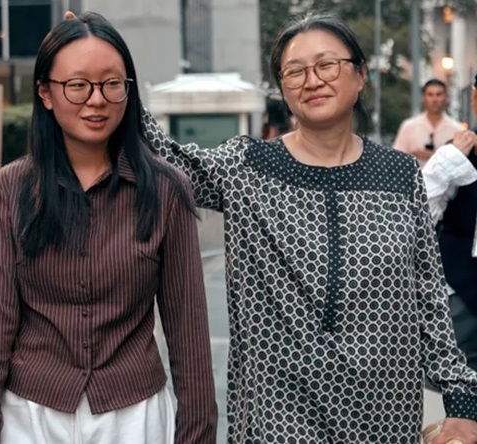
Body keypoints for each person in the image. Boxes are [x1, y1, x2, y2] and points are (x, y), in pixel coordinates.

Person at [137, 11, 477, 443]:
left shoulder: (400, 175)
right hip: (278, 421)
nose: (311, 80)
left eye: (326, 65)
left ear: (360, 75)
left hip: (385, 420)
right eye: (294, 71)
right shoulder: (248, 168)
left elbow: (429, 298)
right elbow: (161, 157)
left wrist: (462, 403)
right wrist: (111, 71)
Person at [0, 11, 217, 444]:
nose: (96, 100)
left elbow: (188, 335)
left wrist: (196, 434)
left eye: (111, 84)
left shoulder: (167, 189)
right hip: (32, 416)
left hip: (136, 417)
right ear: (45, 92)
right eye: (77, 85)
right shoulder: (10, 189)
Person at [421, 74, 477, 373]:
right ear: (474, 99)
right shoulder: (458, 152)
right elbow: (417, 214)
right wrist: (449, 159)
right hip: (464, 291)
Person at [394, 78, 463, 167]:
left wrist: (434, 156)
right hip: (415, 178)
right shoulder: (409, 126)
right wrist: (411, 156)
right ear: (423, 97)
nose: (434, 99)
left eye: (439, 94)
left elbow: (461, 164)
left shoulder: (457, 129)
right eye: (430, 95)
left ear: (445, 97)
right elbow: (396, 158)